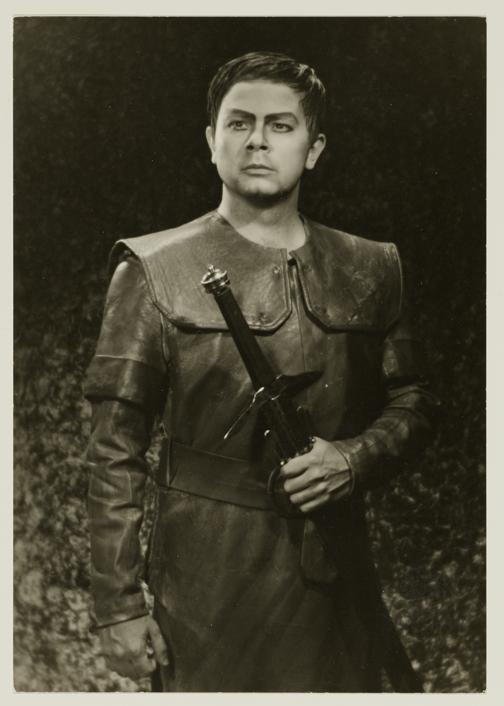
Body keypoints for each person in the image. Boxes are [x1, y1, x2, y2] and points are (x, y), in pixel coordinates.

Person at [83, 51, 439, 692]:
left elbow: (414, 401)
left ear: (314, 148)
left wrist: (353, 459)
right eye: (239, 123)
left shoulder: (371, 265)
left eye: (280, 125)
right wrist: (118, 606)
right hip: (206, 588)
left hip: (337, 573)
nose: (257, 141)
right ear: (211, 140)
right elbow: (114, 450)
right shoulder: (152, 269)